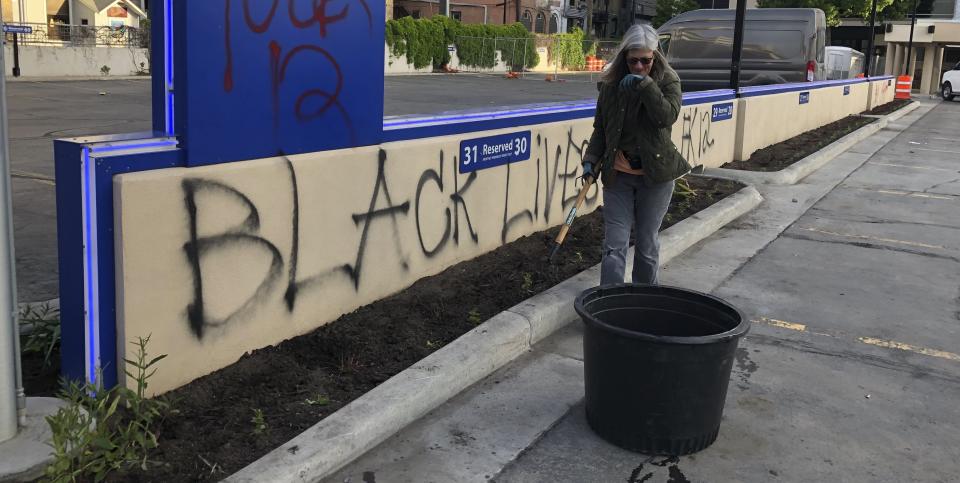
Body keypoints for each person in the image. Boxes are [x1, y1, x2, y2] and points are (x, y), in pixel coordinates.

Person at [581, 23, 690, 286]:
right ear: (624, 58)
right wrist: (590, 161)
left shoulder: (668, 81)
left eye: (646, 61)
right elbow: (601, 130)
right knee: (615, 244)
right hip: (618, 176)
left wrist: (646, 86)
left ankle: (643, 300)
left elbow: (666, 117)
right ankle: (610, 301)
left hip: (656, 176)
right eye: (633, 61)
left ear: (655, 57)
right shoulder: (610, 85)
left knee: (646, 243)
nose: (639, 67)